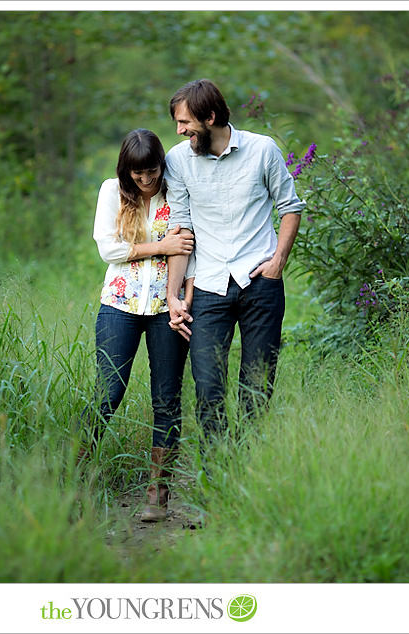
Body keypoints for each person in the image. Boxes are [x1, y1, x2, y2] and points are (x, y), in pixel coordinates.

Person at [164, 79, 306, 450]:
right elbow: (181, 229)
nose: (180, 131)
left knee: (257, 386)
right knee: (208, 387)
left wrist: (278, 262)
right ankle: (217, 470)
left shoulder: (262, 150)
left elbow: (290, 207)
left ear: (210, 117)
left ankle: (247, 469)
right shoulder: (178, 160)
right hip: (209, 287)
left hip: (260, 282)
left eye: (185, 123)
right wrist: (174, 294)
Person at [85, 128, 195, 522]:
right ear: (126, 171)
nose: (146, 181)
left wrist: (183, 301)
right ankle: (77, 476)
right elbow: (108, 248)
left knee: (166, 398)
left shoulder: (178, 192)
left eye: (151, 172)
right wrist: (160, 247)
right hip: (119, 302)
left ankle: (158, 491)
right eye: (138, 175)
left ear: (161, 166)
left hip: (168, 308)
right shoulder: (111, 191)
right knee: (108, 391)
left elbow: (191, 250)